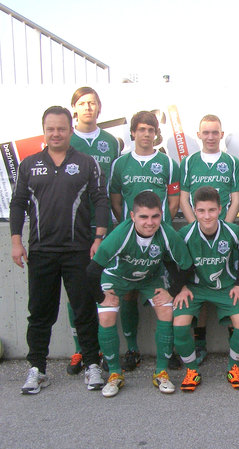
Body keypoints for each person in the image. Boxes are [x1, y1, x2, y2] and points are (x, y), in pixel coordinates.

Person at [10, 106, 108, 394]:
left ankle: (91, 364)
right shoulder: (29, 165)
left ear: (70, 130)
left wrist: (99, 238)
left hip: (79, 250)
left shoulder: (87, 163)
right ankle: (37, 369)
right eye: (51, 128)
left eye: (61, 128)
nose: (56, 133)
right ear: (44, 130)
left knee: (84, 309)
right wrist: (16, 240)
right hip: (41, 250)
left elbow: (100, 200)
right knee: (40, 312)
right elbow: (18, 204)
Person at [87, 191, 192, 398]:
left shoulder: (167, 233)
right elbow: (91, 271)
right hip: (118, 277)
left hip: (150, 277)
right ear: (133, 216)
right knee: (106, 315)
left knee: (166, 311)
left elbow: (186, 267)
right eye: (143, 217)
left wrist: (172, 292)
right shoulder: (120, 234)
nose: (149, 222)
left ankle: (161, 372)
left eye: (154, 216)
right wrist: (101, 297)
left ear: (161, 214)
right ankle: (115, 373)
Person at [108, 110, 180, 372]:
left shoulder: (169, 164)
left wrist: (156, 227)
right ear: (133, 133)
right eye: (141, 129)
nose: (146, 134)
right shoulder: (120, 164)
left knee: (164, 293)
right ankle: (132, 349)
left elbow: (173, 201)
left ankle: (167, 350)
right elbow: (116, 200)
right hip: (129, 240)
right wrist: (131, 228)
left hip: (160, 241)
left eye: (151, 130)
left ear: (156, 133)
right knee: (127, 294)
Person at [179, 114, 239, 365]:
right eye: (206, 132)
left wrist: (223, 225)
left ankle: (234, 344)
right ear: (199, 135)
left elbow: (235, 198)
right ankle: (200, 342)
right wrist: (196, 225)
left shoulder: (231, 162)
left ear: (221, 134)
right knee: (200, 282)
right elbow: (184, 198)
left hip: (222, 229)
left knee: (224, 280)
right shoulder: (189, 162)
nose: (211, 137)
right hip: (198, 231)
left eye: (215, 132)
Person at [173, 186, 239, 391]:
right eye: (201, 211)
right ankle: (191, 371)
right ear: (194, 210)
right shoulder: (184, 234)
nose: (207, 216)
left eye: (211, 210)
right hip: (194, 288)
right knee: (179, 326)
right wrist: (179, 287)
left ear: (220, 210)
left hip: (227, 286)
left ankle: (233, 367)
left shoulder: (233, 232)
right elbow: (174, 262)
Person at [65, 86, 120, 375]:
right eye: (83, 103)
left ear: (99, 108)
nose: (88, 107)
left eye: (93, 103)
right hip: (72, 226)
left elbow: (112, 187)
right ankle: (81, 350)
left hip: (105, 226)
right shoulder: (65, 139)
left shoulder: (111, 142)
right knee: (76, 289)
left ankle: (107, 348)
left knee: (107, 287)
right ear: (74, 108)